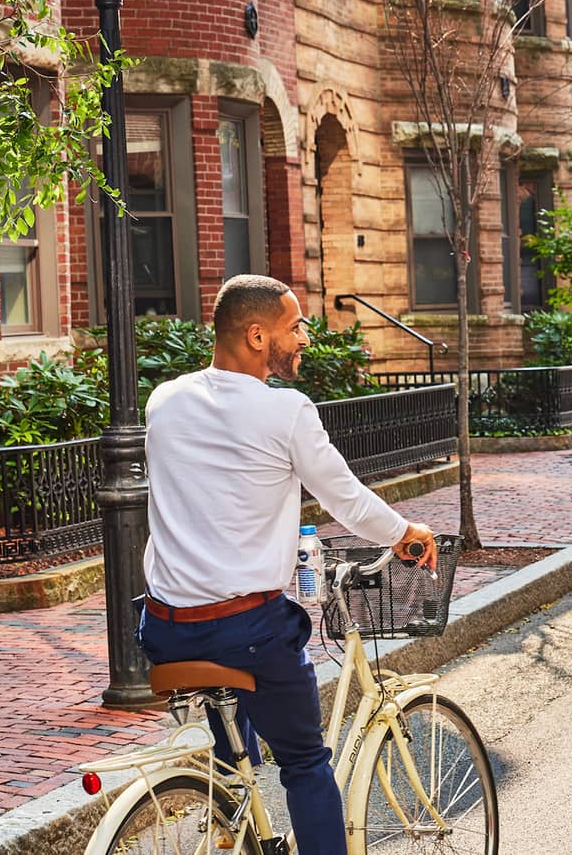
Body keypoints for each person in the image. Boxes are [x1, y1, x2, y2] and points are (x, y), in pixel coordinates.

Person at [137, 274, 437, 855]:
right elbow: (344, 499)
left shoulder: (164, 401)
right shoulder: (287, 412)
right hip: (246, 628)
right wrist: (405, 532)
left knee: (238, 737)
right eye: (295, 326)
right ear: (256, 335)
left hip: (166, 629)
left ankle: (231, 811)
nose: (305, 338)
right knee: (304, 762)